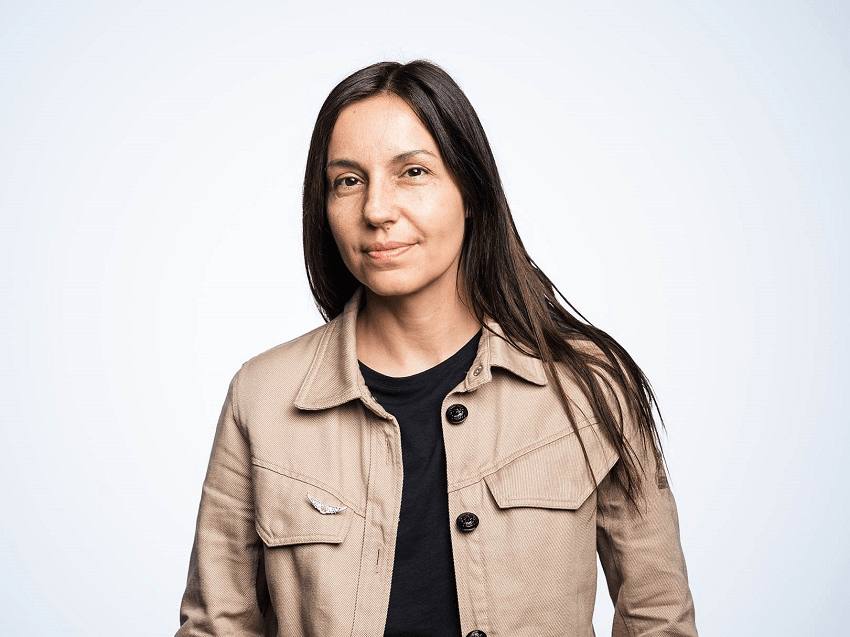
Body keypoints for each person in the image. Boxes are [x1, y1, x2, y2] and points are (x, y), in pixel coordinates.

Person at [176, 60, 698, 637]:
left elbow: (659, 617)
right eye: (348, 180)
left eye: (413, 172)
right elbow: (216, 627)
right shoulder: (264, 395)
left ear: (470, 192)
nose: (376, 210)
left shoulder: (588, 386)